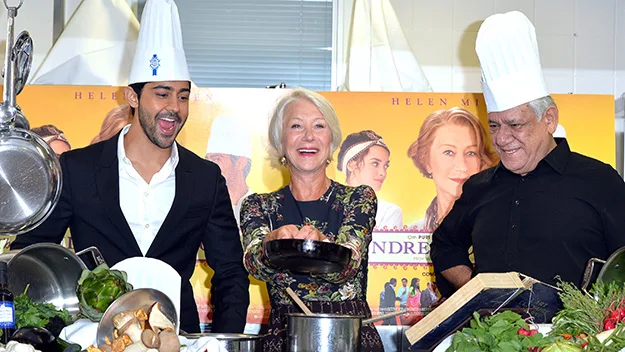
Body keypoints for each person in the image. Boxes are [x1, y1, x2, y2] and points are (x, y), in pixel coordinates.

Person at [11, 0, 250, 333]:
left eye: (183, 96)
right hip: (90, 340)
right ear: (133, 97)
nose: (174, 108)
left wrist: (226, 340)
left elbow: (230, 274)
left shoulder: (205, 179)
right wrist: (50, 336)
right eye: (162, 94)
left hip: (176, 339)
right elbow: (30, 258)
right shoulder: (77, 169)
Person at [430, 11, 625, 302]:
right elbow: (444, 246)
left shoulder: (599, 181)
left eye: (515, 124)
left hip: (573, 343)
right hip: (493, 342)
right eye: (494, 125)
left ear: (549, 118)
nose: (502, 138)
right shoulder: (479, 187)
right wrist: (479, 292)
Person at [239, 88, 383, 351]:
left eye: (319, 126)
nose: (308, 137)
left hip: (348, 337)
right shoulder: (258, 205)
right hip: (286, 337)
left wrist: (322, 245)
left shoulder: (359, 198)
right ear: (280, 141)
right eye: (296, 126)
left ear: (332, 140)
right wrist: (271, 242)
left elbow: (348, 266)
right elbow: (254, 265)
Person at [407, 107, 496, 231]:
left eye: (471, 153)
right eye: (448, 152)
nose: (462, 166)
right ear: (425, 160)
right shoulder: (413, 231)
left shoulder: (498, 227)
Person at [337, 130, 403, 230]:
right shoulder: (327, 206)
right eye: (375, 163)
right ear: (351, 165)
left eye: (385, 166)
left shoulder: (389, 212)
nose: (383, 173)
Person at [205, 115, 253, 224]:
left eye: (217, 159)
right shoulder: (203, 207)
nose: (209, 165)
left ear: (241, 162)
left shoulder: (261, 207)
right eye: (207, 159)